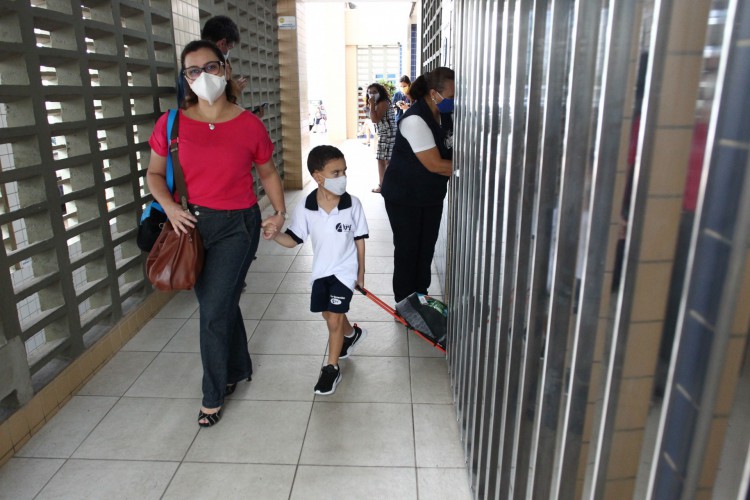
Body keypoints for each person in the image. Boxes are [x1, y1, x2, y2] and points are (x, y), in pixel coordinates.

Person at [146, 40, 288, 427]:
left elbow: (268, 172)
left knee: (211, 311)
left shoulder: (249, 124)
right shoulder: (171, 123)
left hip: (236, 227)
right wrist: (172, 208)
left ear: (225, 69)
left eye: (210, 67)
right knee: (219, 302)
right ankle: (238, 366)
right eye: (193, 71)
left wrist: (279, 212)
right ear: (185, 79)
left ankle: (213, 393)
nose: (202, 76)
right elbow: (155, 175)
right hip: (189, 226)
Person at [262, 145, 368, 395]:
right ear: (317, 176)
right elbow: (294, 239)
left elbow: (360, 239)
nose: (342, 177)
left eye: (344, 171)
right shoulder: (307, 207)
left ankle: (331, 369)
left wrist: (361, 273)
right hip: (321, 271)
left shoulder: (353, 204)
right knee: (328, 314)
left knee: (332, 319)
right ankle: (351, 335)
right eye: (336, 173)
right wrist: (275, 234)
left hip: (345, 271)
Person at [380, 67, 455, 303]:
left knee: (426, 248)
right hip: (404, 196)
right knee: (408, 249)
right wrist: (475, 168)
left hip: (429, 194)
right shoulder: (414, 119)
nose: (454, 101)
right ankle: (404, 302)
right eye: (451, 97)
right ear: (434, 93)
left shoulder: (443, 116)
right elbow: (434, 164)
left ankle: (420, 296)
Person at [367, 83, 397, 193]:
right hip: (383, 134)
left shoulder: (383, 102)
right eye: (370, 92)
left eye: (374, 92)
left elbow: (375, 119)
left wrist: (371, 105)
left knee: (387, 161)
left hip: (388, 134)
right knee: (381, 160)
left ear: (380, 92)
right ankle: (383, 185)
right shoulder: (378, 103)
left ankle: (387, 186)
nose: (372, 94)